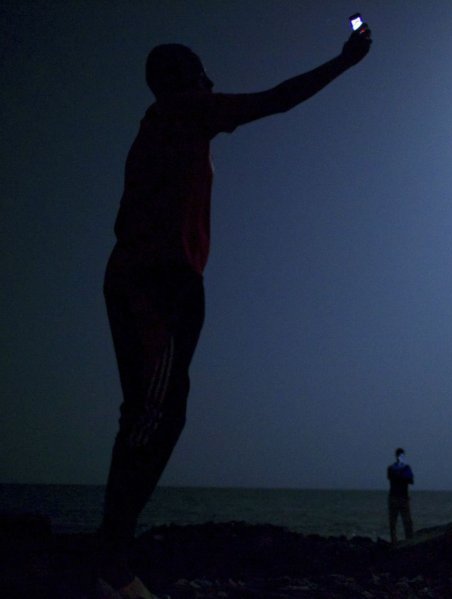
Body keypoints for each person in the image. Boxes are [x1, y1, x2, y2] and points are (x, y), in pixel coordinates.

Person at [97, 25, 372, 597]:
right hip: (159, 281)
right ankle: (110, 564)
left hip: (148, 277)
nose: (211, 79)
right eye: (201, 70)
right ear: (181, 80)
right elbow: (274, 99)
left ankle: (112, 556)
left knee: (153, 414)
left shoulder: (160, 131)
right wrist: (343, 62)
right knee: (154, 415)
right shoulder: (180, 114)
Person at [387, 448, 415, 544]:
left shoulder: (405, 468)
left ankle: (409, 540)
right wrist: (403, 475)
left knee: (406, 521)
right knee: (393, 522)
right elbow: (393, 478)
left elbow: (411, 480)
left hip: (402, 497)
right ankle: (395, 540)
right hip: (395, 497)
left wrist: (402, 475)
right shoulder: (392, 468)